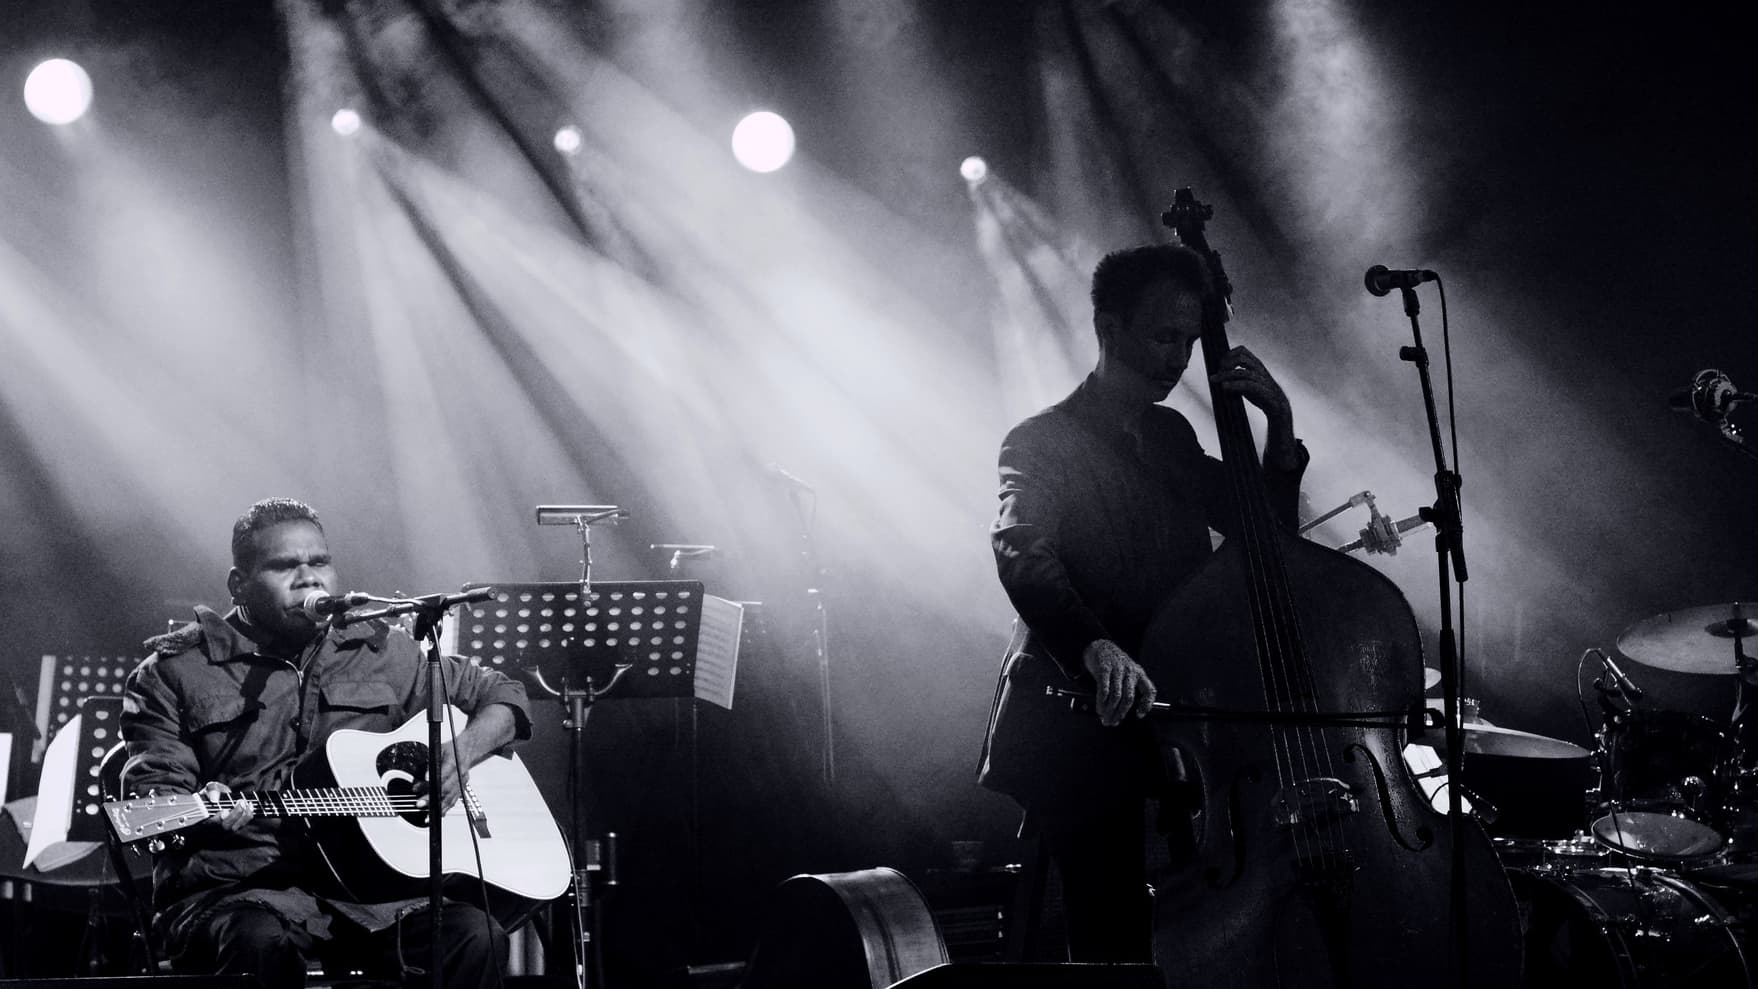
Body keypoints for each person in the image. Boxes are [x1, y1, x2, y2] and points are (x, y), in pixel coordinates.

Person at [977, 243, 1307, 963]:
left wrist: (1278, 425)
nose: (1182, 357)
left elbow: (1263, 530)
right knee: (1113, 929)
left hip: (1163, 724)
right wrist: (1092, 644)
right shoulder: (1041, 441)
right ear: (1108, 328)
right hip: (1076, 721)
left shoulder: (1171, 435)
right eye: (1164, 336)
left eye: (1191, 339)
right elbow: (1020, 551)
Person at [120, 498, 532, 988]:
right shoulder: (175, 671)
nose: (309, 578)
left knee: (474, 935)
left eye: (319, 563)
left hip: (375, 894)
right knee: (258, 942)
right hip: (240, 889)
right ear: (239, 585)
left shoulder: (382, 649)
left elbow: (503, 696)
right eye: (284, 566)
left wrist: (458, 757)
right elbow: (152, 806)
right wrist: (202, 812)